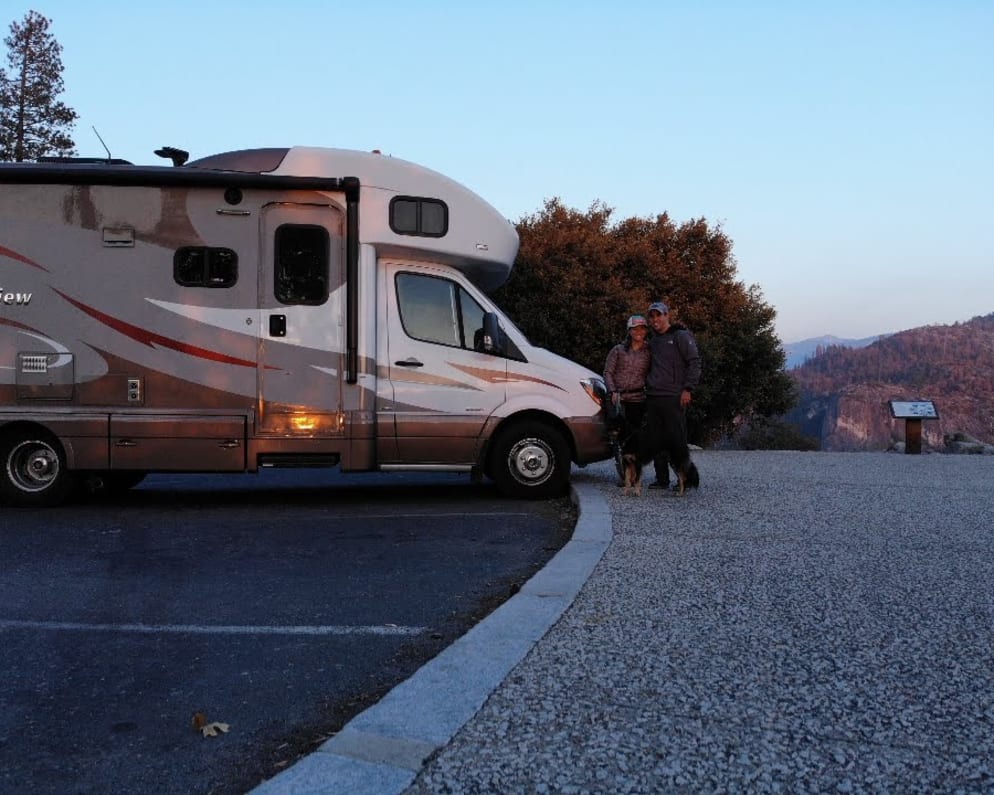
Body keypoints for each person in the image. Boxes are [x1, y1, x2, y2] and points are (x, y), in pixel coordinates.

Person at [603, 314, 669, 487]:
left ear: (645, 331)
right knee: (618, 439)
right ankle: (625, 476)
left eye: (642, 328)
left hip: (637, 398)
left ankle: (636, 474)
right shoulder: (618, 350)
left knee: (634, 438)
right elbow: (608, 372)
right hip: (617, 397)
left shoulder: (649, 351)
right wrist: (612, 390)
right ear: (629, 331)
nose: (638, 332)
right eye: (635, 328)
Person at [644, 301, 701, 487]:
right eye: (651, 316)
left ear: (667, 315)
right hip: (653, 397)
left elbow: (694, 362)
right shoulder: (652, 342)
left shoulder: (680, 336)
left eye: (658, 315)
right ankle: (661, 480)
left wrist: (688, 389)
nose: (655, 319)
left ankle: (684, 478)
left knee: (677, 440)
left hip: (674, 397)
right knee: (655, 440)